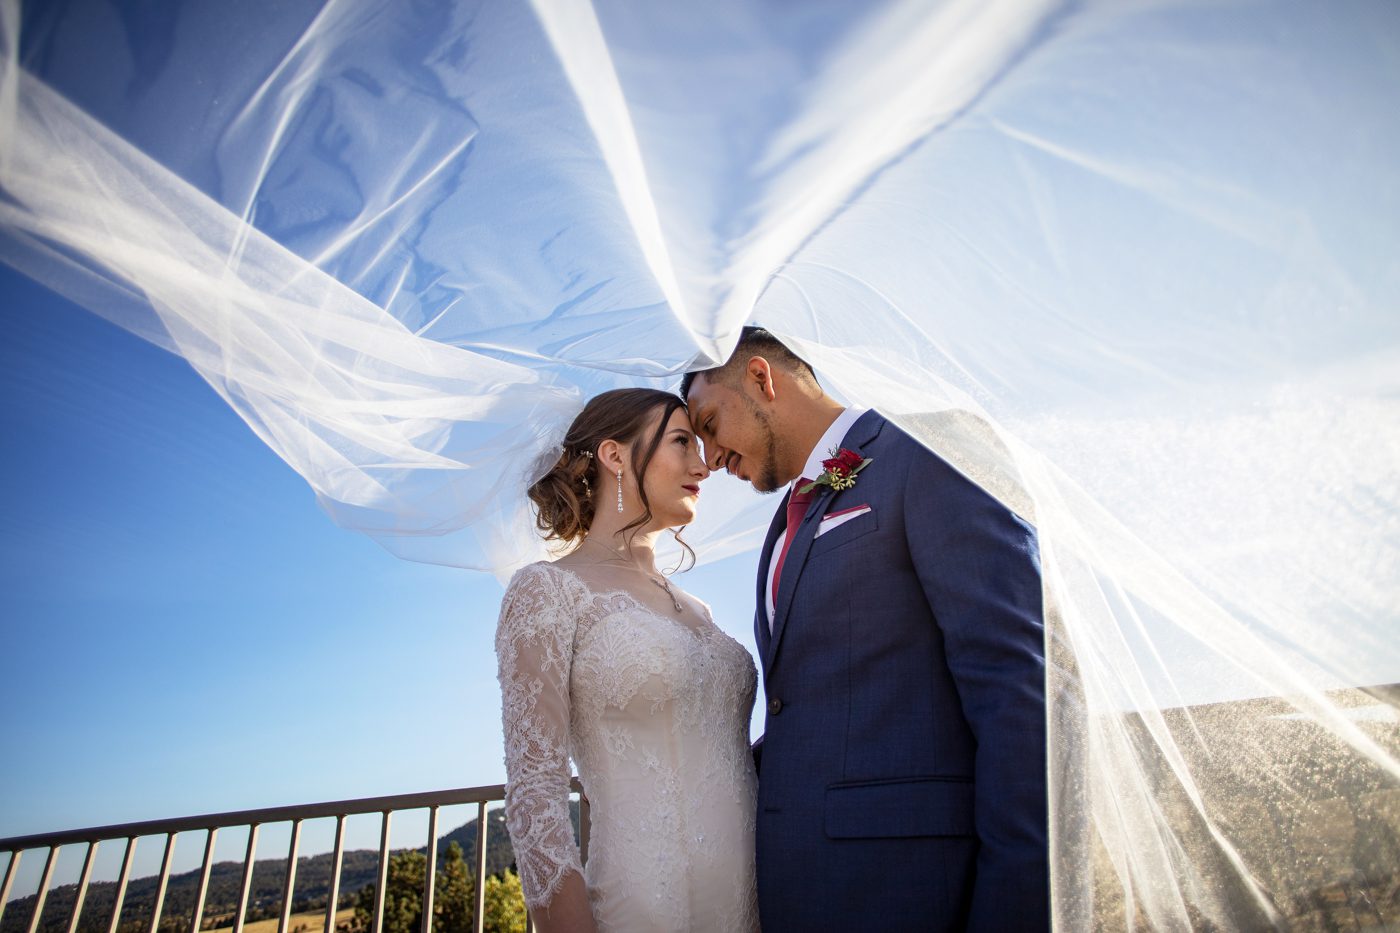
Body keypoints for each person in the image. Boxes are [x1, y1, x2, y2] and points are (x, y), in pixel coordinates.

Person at [682, 327, 1048, 932]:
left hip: (916, 892)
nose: (711, 458)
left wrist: (1016, 907)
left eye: (709, 424)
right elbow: (812, 708)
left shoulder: (929, 449)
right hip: (801, 888)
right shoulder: (783, 528)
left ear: (760, 378)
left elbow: (1020, 685)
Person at [495, 388, 761, 932]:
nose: (703, 466)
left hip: (756, 902)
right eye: (682, 442)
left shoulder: (700, 609)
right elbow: (535, 792)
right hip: (644, 906)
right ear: (614, 455)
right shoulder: (547, 591)